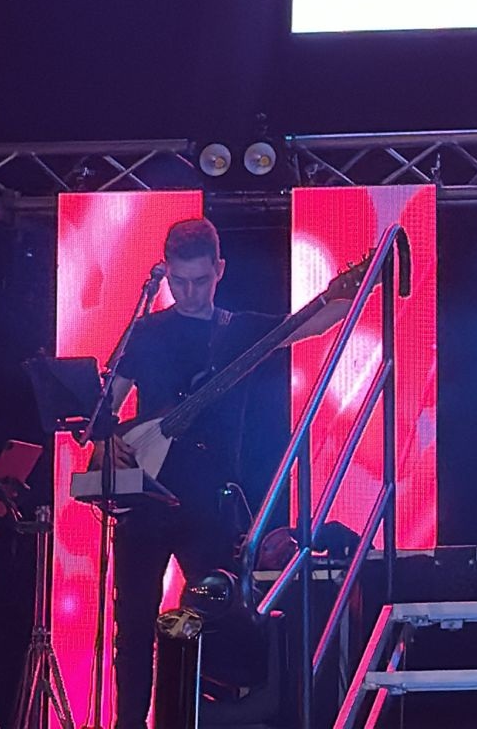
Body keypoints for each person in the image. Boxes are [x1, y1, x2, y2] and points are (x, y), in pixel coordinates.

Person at [94, 218, 350, 729]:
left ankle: (198, 717)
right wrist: (109, 445)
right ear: (165, 272)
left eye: (200, 281)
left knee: (215, 616)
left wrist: (351, 289)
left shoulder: (239, 330)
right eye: (178, 281)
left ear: (220, 270)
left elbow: (314, 324)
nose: (189, 292)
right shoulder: (146, 332)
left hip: (210, 502)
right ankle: (129, 723)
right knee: (134, 625)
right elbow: (107, 408)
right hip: (145, 500)